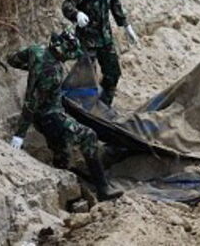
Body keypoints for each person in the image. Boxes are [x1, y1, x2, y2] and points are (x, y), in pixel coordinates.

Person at [7, 29, 121, 202]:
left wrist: (33, 69)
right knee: (89, 136)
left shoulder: (36, 50)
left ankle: (69, 195)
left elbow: (13, 60)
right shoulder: (51, 73)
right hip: (50, 117)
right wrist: (20, 134)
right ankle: (102, 189)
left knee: (62, 157)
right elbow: (31, 102)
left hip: (48, 115)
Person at [61, 0, 136, 106]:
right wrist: (77, 14)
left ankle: (103, 105)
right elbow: (67, 5)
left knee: (113, 73)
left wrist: (126, 25)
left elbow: (114, 4)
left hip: (105, 38)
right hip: (87, 40)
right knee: (87, 76)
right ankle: (83, 106)